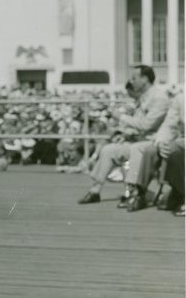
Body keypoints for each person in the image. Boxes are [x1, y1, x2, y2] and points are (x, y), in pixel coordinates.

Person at [78, 65, 169, 205]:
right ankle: (95, 190)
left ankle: (134, 192)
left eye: (134, 78)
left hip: (154, 143)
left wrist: (121, 117)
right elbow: (139, 125)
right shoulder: (144, 97)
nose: (131, 81)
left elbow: (146, 125)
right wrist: (126, 135)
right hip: (140, 140)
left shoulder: (159, 97)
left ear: (145, 79)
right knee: (109, 150)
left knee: (135, 149)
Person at [131, 92, 184, 214]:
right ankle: (141, 193)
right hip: (181, 141)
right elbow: (169, 125)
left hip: (181, 143)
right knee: (151, 150)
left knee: (173, 149)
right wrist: (161, 142)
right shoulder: (181, 98)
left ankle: (178, 191)